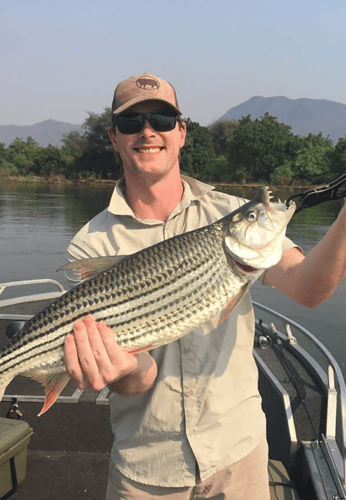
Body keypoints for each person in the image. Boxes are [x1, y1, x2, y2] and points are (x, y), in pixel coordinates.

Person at [63, 73, 346, 499]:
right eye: (131, 123)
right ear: (114, 137)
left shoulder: (232, 213)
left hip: (239, 455)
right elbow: (137, 380)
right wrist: (120, 370)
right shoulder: (91, 244)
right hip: (147, 470)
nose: (147, 131)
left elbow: (308, 289)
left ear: (181, 133)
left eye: (162, 119)